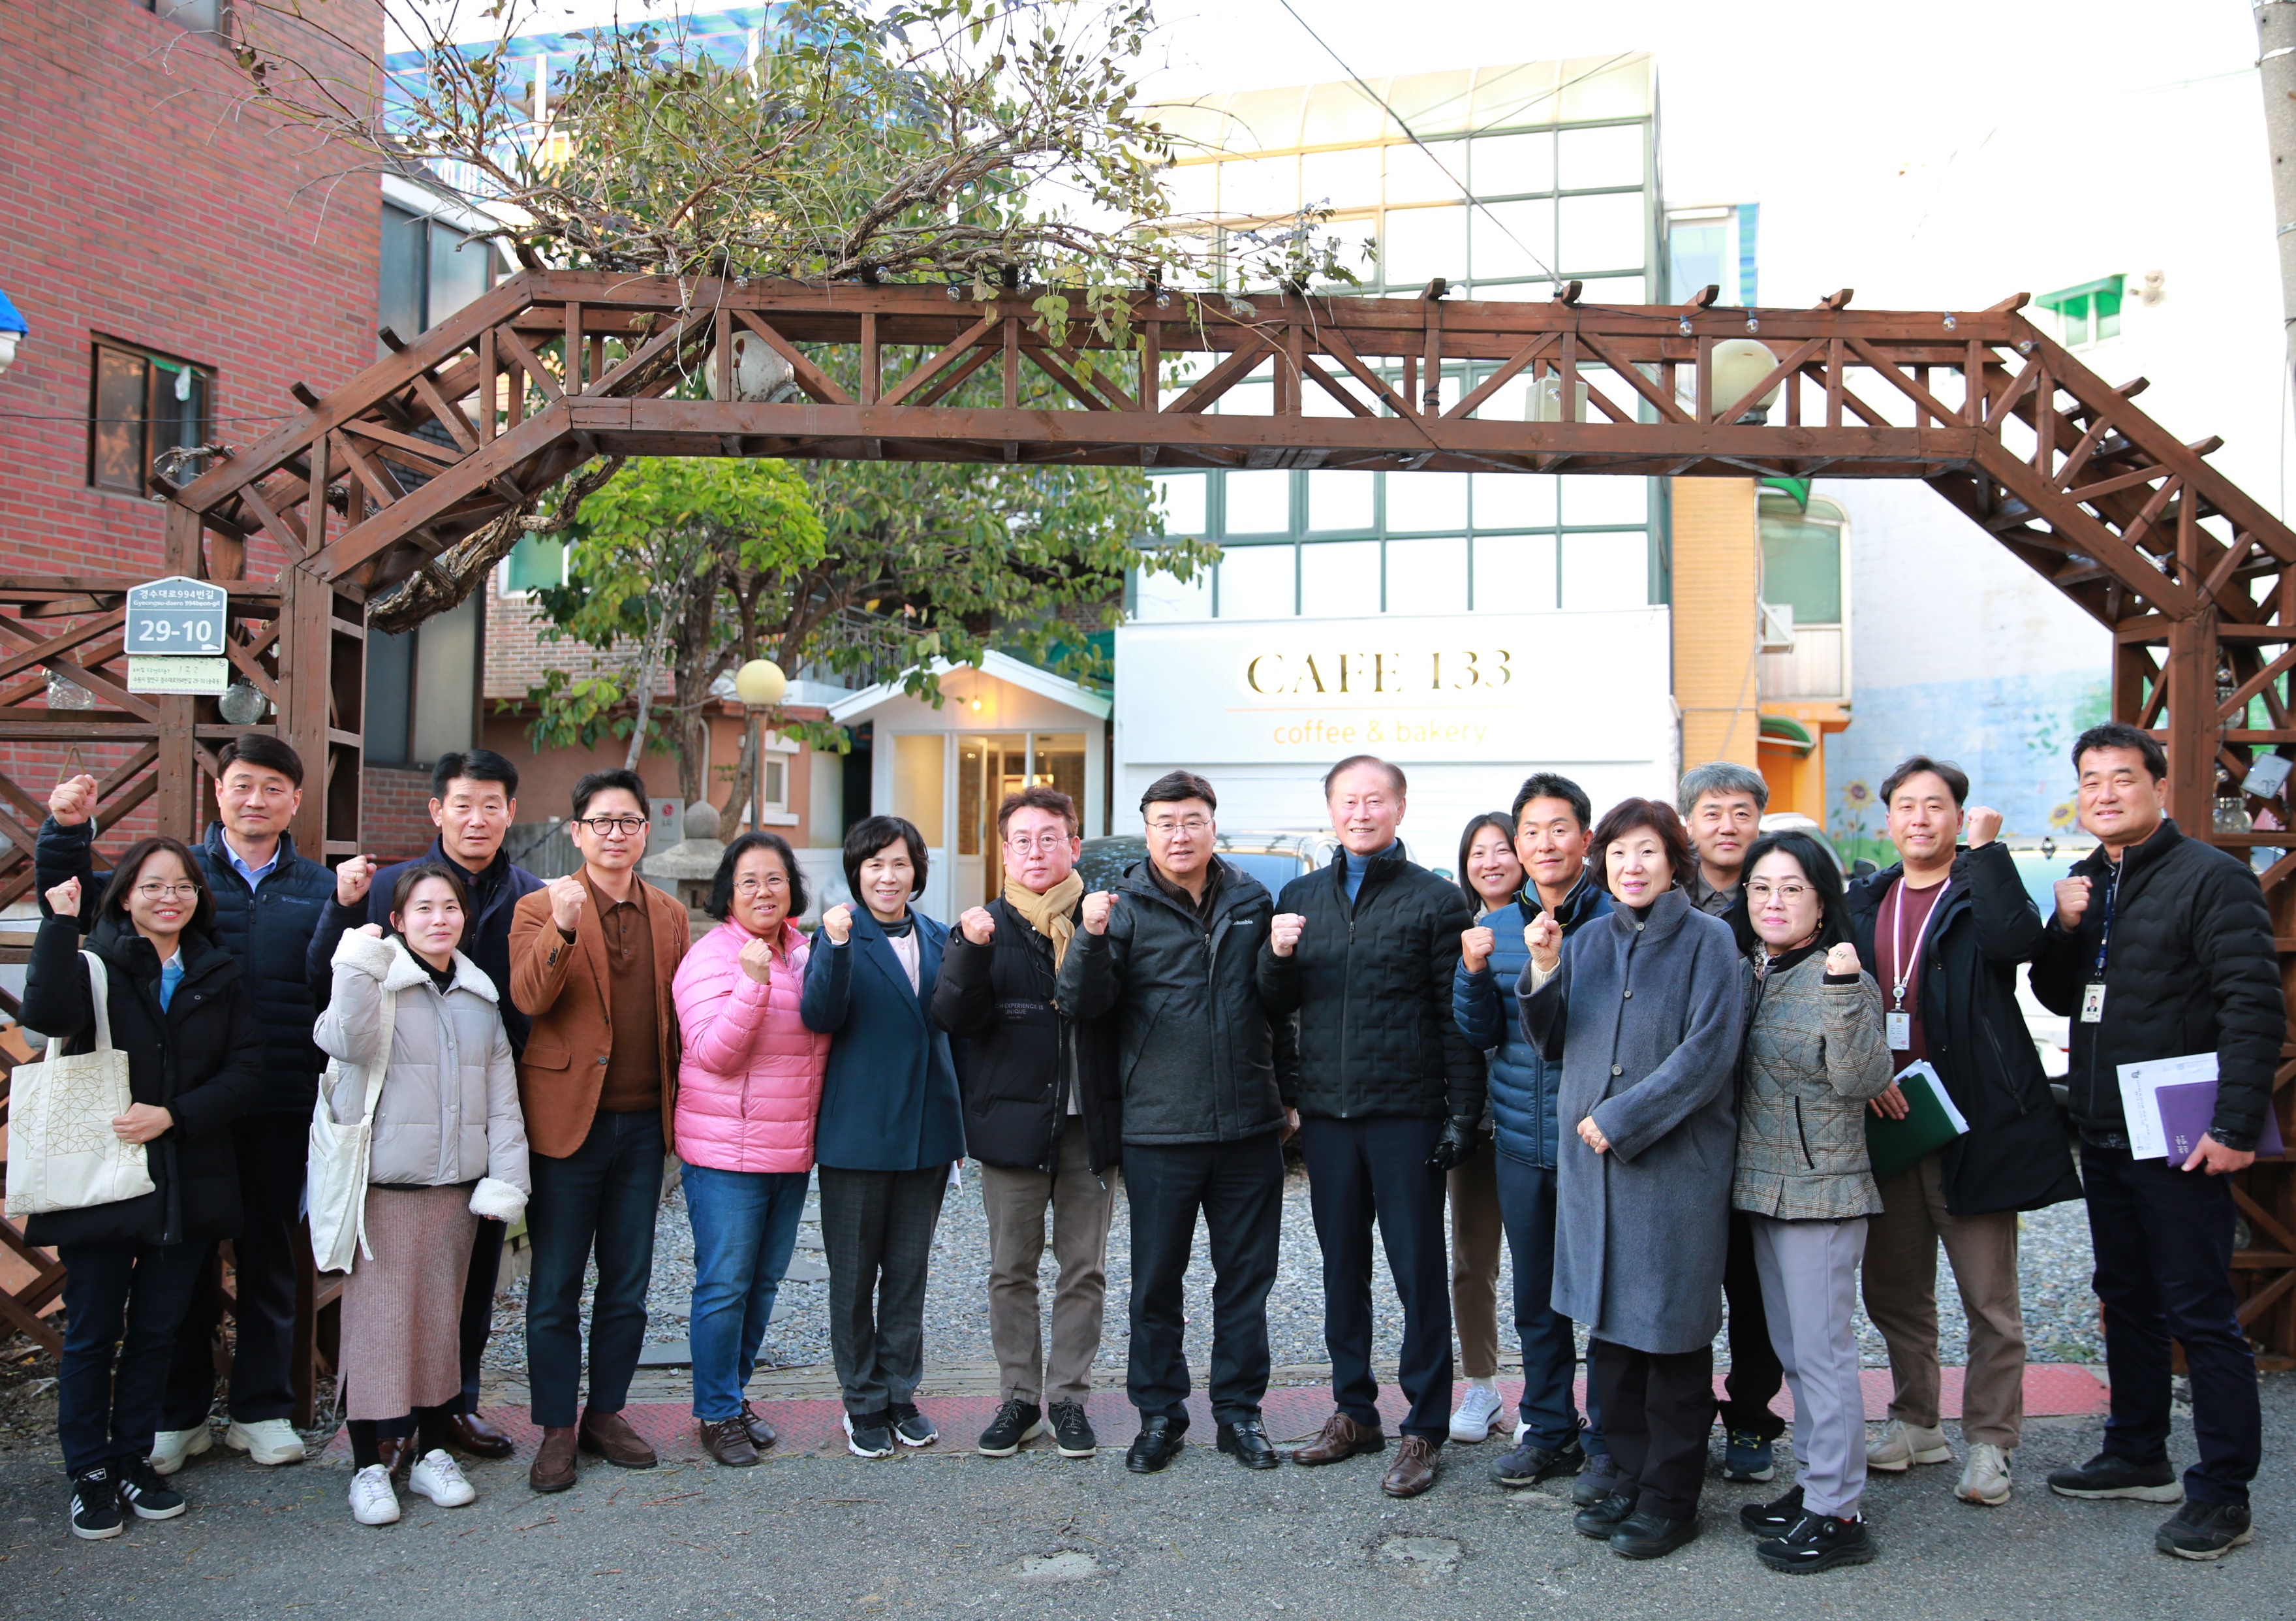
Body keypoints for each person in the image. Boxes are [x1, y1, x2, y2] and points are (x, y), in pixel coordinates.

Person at [38, 738, 334, 1474]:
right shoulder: (180, 877)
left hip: (275, 1100)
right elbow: (78, 899)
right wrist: (66, 832)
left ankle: (262, 1408)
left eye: (273, 787)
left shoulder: (321, 888)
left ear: (295, 801)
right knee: (180, 1263)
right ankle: (178, 1414)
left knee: (270, 1258)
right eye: (243, 785)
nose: (256, 798)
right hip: (173, 1114)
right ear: (219, 794)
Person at [2030, 723, 2282, 1562]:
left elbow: (2253, 1005)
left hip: (2178, 1134)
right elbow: (2061, 996)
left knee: (2201, 1313)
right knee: (2124, 1294)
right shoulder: (2087, 881)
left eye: (2120, 778)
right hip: (2103, 1126)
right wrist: (2060, 929)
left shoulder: (2211, 878)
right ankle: (2136, 1451)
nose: (2103, 793)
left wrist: (2233, 1126)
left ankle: (2222, 1494)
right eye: (2089, 781)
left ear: (2157, 786)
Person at [1845, 757, 2083, 1508]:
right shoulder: (1864, 900)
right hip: (1889, 1124)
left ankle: (1990, 1441)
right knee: (1894, 1289)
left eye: (1936, 805)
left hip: (1973, 1123)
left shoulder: (1976, 884)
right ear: (1887, 819)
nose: (1919, 817)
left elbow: (2018, 945)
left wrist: (1988, 854)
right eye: (1906, 805)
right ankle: (1916, 1419)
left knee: (1989, 1298)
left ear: (1958, 816)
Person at [304, 748, 545, 1463]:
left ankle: (452, 1408)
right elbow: (333, 986)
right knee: (382, 1291)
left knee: (465, 1281)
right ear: (436, 809)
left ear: (509, 811)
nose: (478, 817)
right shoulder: (386, 887)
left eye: (492, 804)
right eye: (462, 803)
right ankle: (384, 1429)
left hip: (486, 1092)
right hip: (396, 1114)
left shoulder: (531, 892)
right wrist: (341, 907)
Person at [1059, 771, 1299, 1475]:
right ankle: (1160, 1413)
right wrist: (1090, 936)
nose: (1178, 834)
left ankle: (1239, 1413)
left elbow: (1276, 1005)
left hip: (1249, 1126)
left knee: (1245, 1279)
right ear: (1148, 829)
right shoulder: (1122, 906)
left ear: (1212, 826)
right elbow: (1081, 1002)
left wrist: (1289, 1097)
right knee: (1156, 1282)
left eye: (1190, 820)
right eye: (1164, 822)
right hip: (1161, 1128)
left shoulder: (1252, 898)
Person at [1258, 756, 1484, 1500]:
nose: (1361, 812)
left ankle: (1424, 1425)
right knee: (1339, 1268)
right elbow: (1275, 1005)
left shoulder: (1435, 900)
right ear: (1329, 811)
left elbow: (1455, 1017)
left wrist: (1459, 1113)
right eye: (1347, 800)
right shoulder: (1297, 896)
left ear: (1399, 806)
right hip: (1326, 1114)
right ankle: (1353, 1410)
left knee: (1418, 1272)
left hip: (1405, 1113)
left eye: (1374, 800)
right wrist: (1277, 952)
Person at [1522, 797, 1743, 1560]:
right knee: (1610, 1340)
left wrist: (1623, 1116)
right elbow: (1549, 1040)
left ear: (1672, 858)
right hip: (1595, 1178)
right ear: (1601, 863)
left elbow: (1707, 1054)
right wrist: (1543, 967)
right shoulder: (1584, 940)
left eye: (1646, 851)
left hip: (1672, 1174)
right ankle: (1622, 1469)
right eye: (1617, 854)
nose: (1630, 866)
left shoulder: (1710, 941)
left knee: (1671, 1342)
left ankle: (1670, 1496)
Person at [25, 844, 264, 1539]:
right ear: (125, 895)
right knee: (93, 1330)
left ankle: (132, 1456)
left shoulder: (218, 972)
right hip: (100, 1180)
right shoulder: (94, 962)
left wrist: (175, 1114)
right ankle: (88, 1470)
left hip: (187, 1177)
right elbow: (45, 1012)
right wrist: (57, 926)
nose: (170, 896)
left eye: (183, 885)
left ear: (199, 897)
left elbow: (248, 1070)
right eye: (153, 884)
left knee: (159, 1330)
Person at [313, 867, 530, 1526]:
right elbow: (340, 1041)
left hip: (453, 1191)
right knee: (377, 1329)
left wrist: (507, 1177)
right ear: (399, 919)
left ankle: (433, 1448)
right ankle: (368, 1466)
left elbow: (503, 1101)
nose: (439, 918)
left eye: (450, 908)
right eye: (423, 908)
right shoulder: (375, 981)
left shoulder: (479, 997)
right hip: (381, 1187)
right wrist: (355, 960)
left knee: (440, 1324)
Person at [508, 768, 691, 1492]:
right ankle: (555, 1424)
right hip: (566, 1125)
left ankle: (606, 1411)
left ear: (646, 831)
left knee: (628, 1281)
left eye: (629, 821)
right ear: (577, 831)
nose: (616, 834)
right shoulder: (537, 905)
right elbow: (529, 995)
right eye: (601, 821)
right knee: (554, 1284)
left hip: (645, 1125)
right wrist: (562, 923)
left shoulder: (671, 913)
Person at [931, 785, 1121, 1460]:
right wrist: (970, 951)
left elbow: (1111, 1007)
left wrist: (1094, 937)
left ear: (1074, 845)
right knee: (1010, 1267)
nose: (1035, 851)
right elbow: (955, 1017)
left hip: (1087, 1124)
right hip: (1011, 1125)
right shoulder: (981, 923)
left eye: (1050, 837)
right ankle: (1018, 1396)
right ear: (1004, 852)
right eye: (1021, 839)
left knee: (1083, 1268)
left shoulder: (1106, 918)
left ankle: (1068, 1396)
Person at [1730, 831, 1892, 1573]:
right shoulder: (1757, 971)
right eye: (1760, 886)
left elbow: (1860, 1077)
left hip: (1821, 1190)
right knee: (1795, 1353)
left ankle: (1839, 1512)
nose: (1772, 900)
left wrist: (1842, 990)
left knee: (1823, 1356)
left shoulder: (1841, 975)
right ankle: (1816, 1484)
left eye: (1791, 887)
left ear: (1822, 901)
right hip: (1763, 1188)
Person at [1454, 773, 1613, 1501]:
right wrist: (1470, 971)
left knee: (1610, 1293)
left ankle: (1612, 1432)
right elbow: (1480, 1032)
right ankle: (1549, 1427)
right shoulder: (1502, 925)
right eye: (1531, 832)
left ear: (1585, 836)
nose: (1543, 843)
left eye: (1558, 828)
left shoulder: (1614, 919)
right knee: (1537, 1296)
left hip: (1602, 1144)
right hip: (1521, 1139)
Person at [799, 816, 964, 1458]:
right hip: (858, 1134)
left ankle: (900, 1392)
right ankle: (861, 1401)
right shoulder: (838, 932)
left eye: (898, 863)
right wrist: (836, 948)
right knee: (852, 1278)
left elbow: (956, 1032)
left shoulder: (938, 934)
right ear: (856, 873)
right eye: (874, 864)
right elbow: (820, 1014)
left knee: (906, 1274)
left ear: (916, 870)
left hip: (925, 1131)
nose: (887, 875)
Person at [670, 832, 829, 1467]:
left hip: (788, 1151)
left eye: (775, 878)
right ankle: (714, 1410)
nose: (764, 891)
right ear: (727, 895)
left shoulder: (803, 951)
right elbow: (713, 1052)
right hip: (724, 1157)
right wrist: (751, 985)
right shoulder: (712, 958)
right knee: (723, 1284)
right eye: (749, 882)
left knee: (761, 1285)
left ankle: (731, 1397)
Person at [1675, 759, 1781, 1485]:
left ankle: (1750, 1416)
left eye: (1741, 811)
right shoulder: (1664, 895)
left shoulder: (1780, 890)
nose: (1726, 825)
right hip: (1683, 1121)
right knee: (1680, 1281)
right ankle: (1678, 1416)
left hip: (1762, 1119)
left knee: (1752, 1286)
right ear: (1687, 821)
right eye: (1712, 811)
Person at [1440, 811, 1517, 1449]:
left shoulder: (1554, 927)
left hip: (1538, 1124)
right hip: (1477, 1122)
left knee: (1554, 1262)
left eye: (1502, 849)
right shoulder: (1454, 929)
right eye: (1477, 851)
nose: (1489, 861)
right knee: (1472, 1259)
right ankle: (1482, 1383)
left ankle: (1554, 1392)